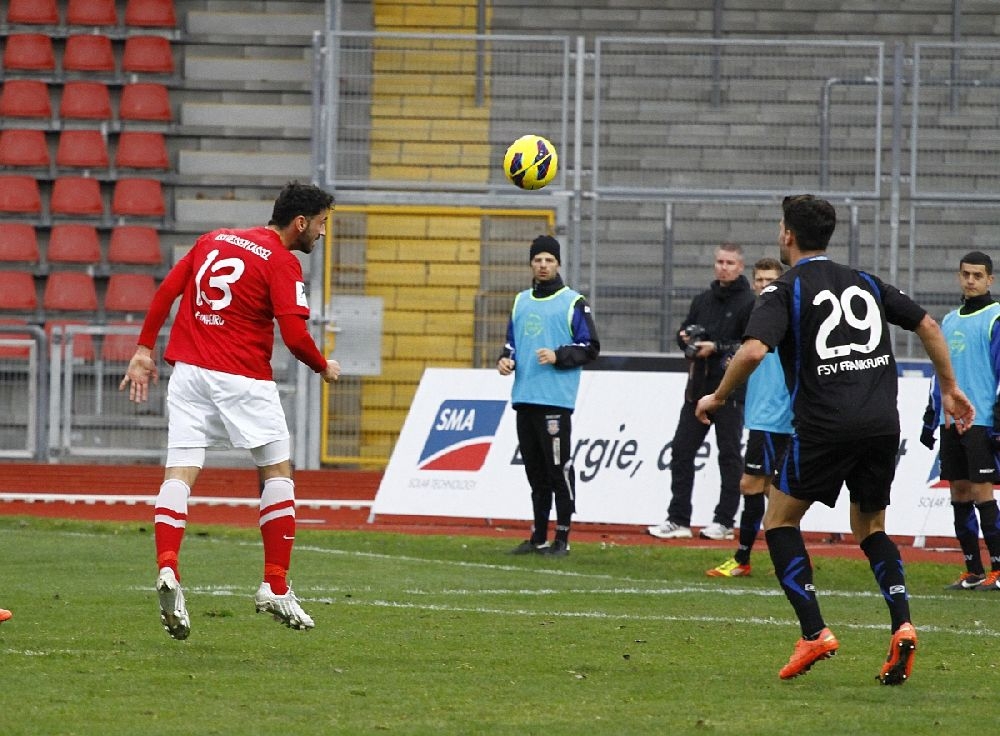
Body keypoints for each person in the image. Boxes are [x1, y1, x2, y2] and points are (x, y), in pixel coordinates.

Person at [695, 194, 974, 686]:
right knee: (871, 527)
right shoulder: (865, 280)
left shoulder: (782, 290)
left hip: (824, 426)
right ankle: (902, 623)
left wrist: (717, 397)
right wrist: (949, 388)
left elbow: (754, 351)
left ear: (787, 235)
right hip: (881, 423)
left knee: (780, 519)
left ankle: (814, 632)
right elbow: (928, 324)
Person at [120, 182, 341, 640]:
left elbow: (168, 290)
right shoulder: (282, 261)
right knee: (277, 471)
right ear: (300, 222)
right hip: (242, 377)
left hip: (189, 373)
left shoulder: (213, 239)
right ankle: (275, 585)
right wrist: (324, 366)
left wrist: (143, 349)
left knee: (180, 472)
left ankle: (167, 567)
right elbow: (295, 337)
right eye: (321, 224)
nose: (322, 233)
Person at [498, 235, 600, 557]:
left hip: (554, 401)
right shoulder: (521, 301)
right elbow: (512, 342)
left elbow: (590, 347)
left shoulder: (573, 302)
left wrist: (559, 355)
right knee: (535, 473)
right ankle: (539, 536)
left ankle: (563, 538)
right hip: (525, 397)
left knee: (558, 470)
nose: (543, 265)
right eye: (538, 260)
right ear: (531, 263)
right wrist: (506, 360)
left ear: (558, 264)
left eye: (549, 260)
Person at [648, 242, 755, 541]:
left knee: (729, 456)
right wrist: (686, 340)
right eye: (720, 262)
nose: (724, 267)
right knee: (681, 451)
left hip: (729, 391)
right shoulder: (702, 300)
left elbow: (749, 346)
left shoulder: (749, 302)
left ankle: (724, 521)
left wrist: (716, 347)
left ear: (740, 267)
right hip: (697, 391)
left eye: (730, 263)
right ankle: (678, 519)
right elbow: (685, 333)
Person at [919, 251, 1000, 592]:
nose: (970, 280)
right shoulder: (949, 321)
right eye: (966, 274)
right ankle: (973, 570)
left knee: (982, 492)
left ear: (989, 280)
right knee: (959, 493)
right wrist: (931, 415)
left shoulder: (996, 317)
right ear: (958, 276)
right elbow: (940, 372)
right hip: (951, 421)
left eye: (977, 275)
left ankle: (999, 568)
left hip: (982, 419)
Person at [706, 258, 792, 578]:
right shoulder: (758, 315)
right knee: (772, 490)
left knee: (753, 485)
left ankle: (743, 559)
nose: (764, 285)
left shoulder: (782, 317)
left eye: (770, 280)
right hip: (761, 412)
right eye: (759, 280)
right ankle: (792, 557)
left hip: (775, 415)